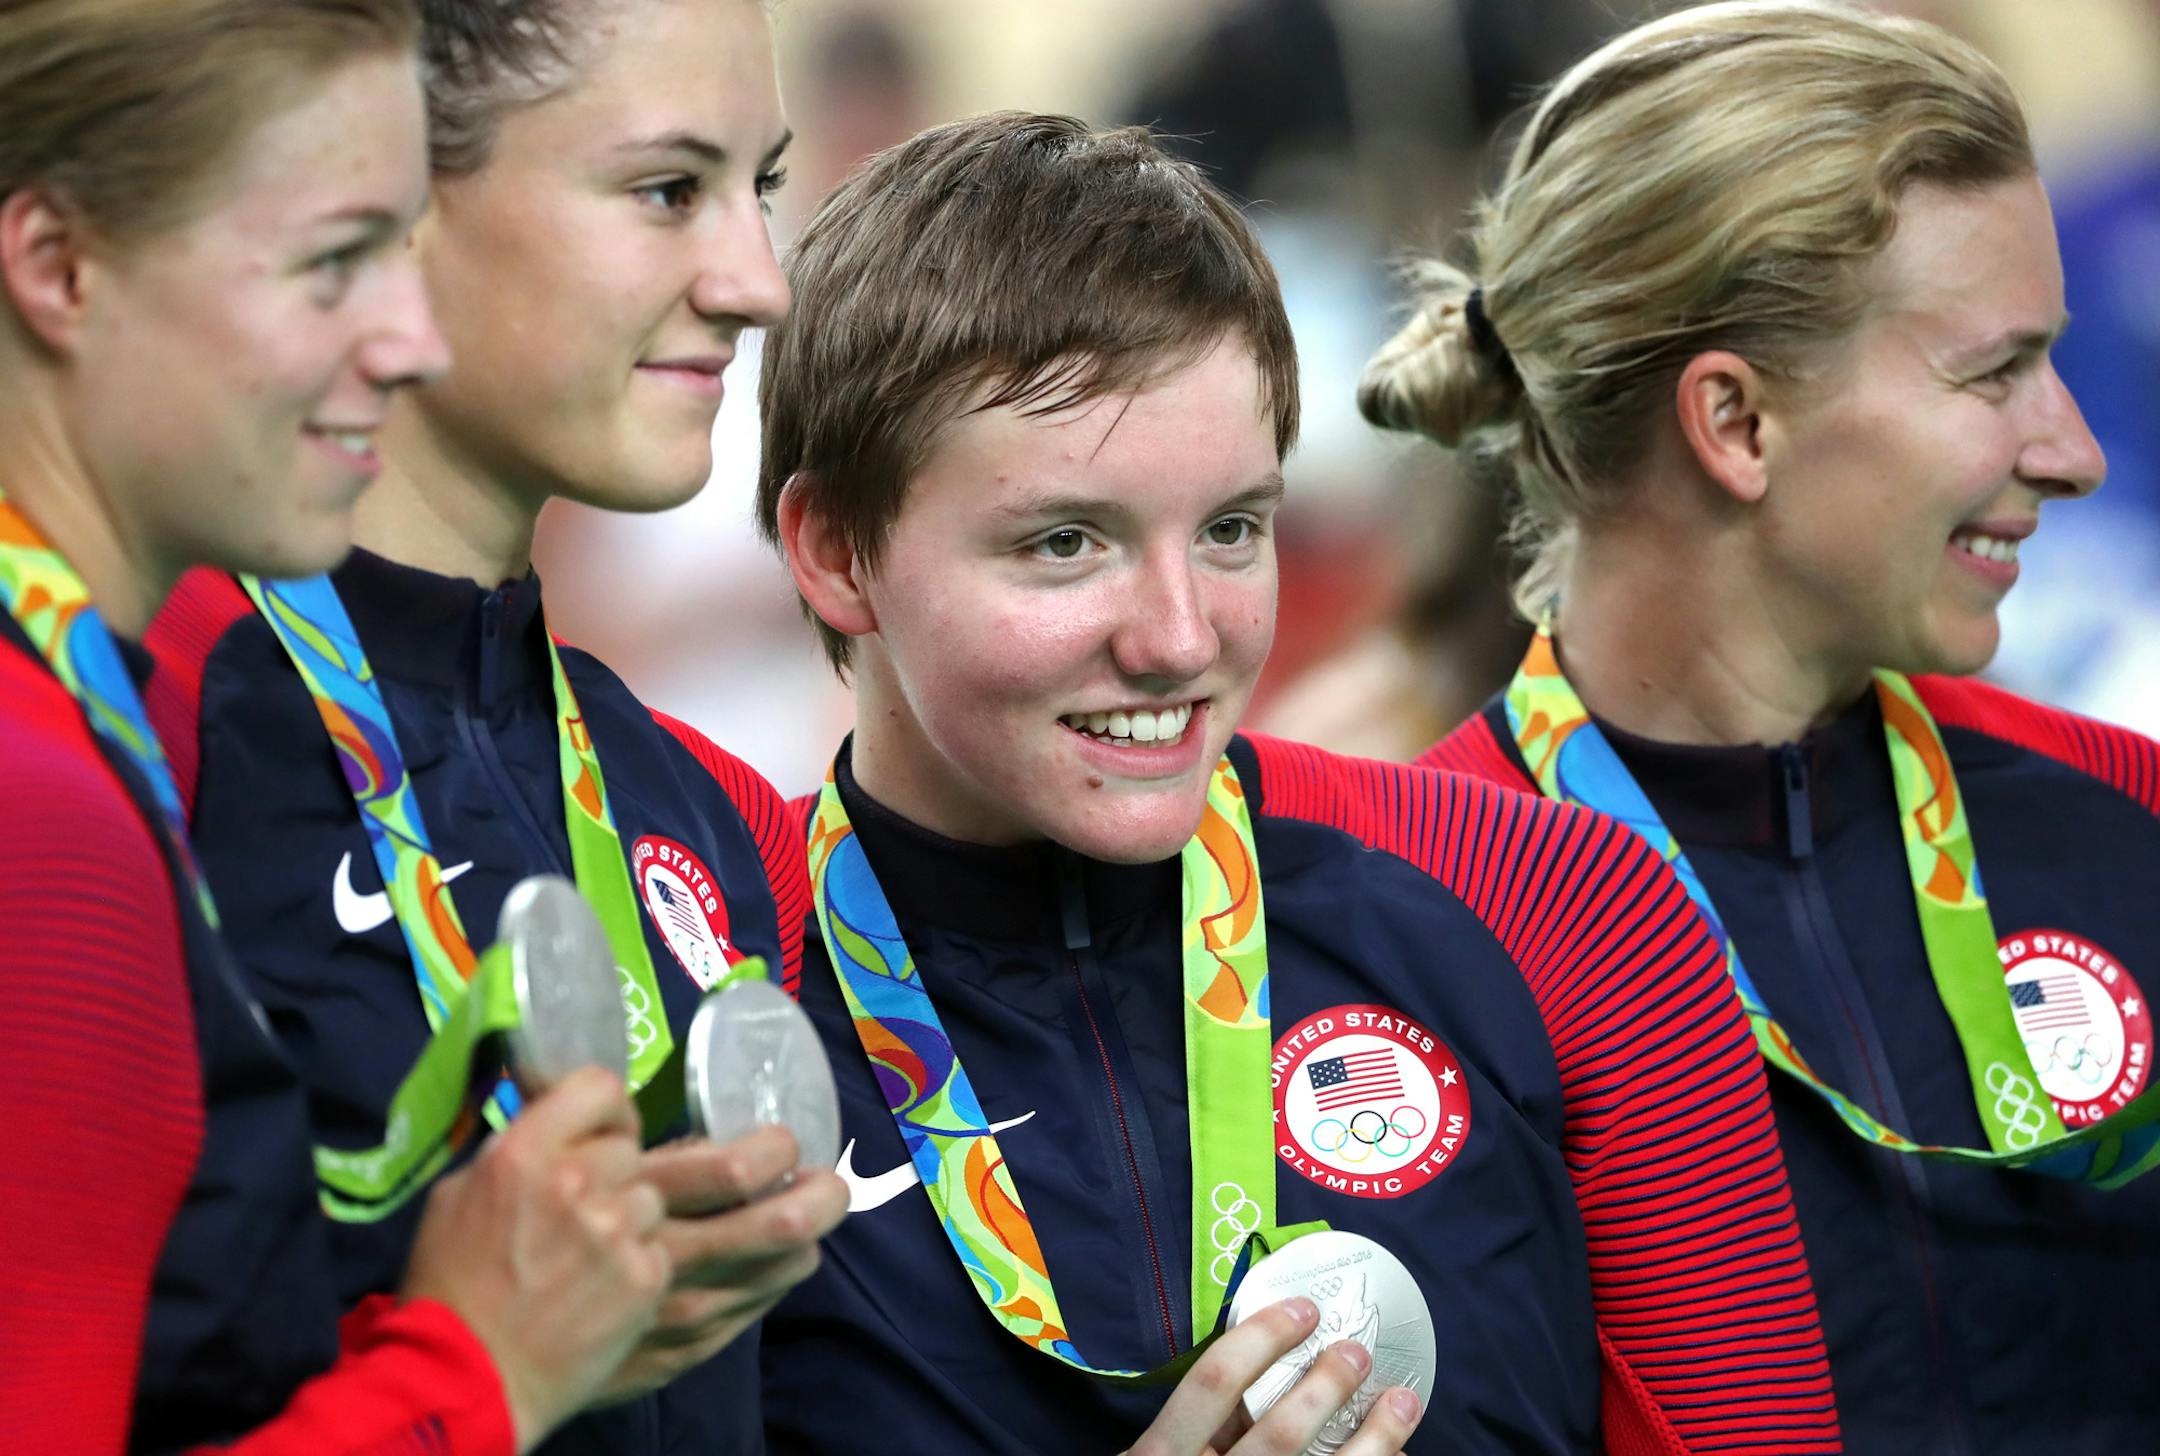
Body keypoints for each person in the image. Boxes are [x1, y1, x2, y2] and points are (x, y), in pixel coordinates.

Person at [752, 111, 1840, 1455]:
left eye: (1229, 530)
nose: (1180, 638)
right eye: (1064, 542)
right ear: (837, 551)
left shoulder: (1553, 897)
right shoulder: (709, 996)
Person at [1366, 2, 2160, 1449]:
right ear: (1734, 424)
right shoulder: (1399, 932)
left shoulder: (2131, 824)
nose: (2074, 451)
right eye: (1995, 373)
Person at [143, 0, 846, 1452]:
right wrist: (478, 1367)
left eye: (759, 188)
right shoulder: (143, 727)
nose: (758, 281)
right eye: (668, 190)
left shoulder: (711, 813)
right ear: (389, 195)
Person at [0, 2, 676, 1452]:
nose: (409, 340)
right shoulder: (37, 805)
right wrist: (473, 1367)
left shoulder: (97, 709)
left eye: (406, 248)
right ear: (59, 266)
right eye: (333, 264)